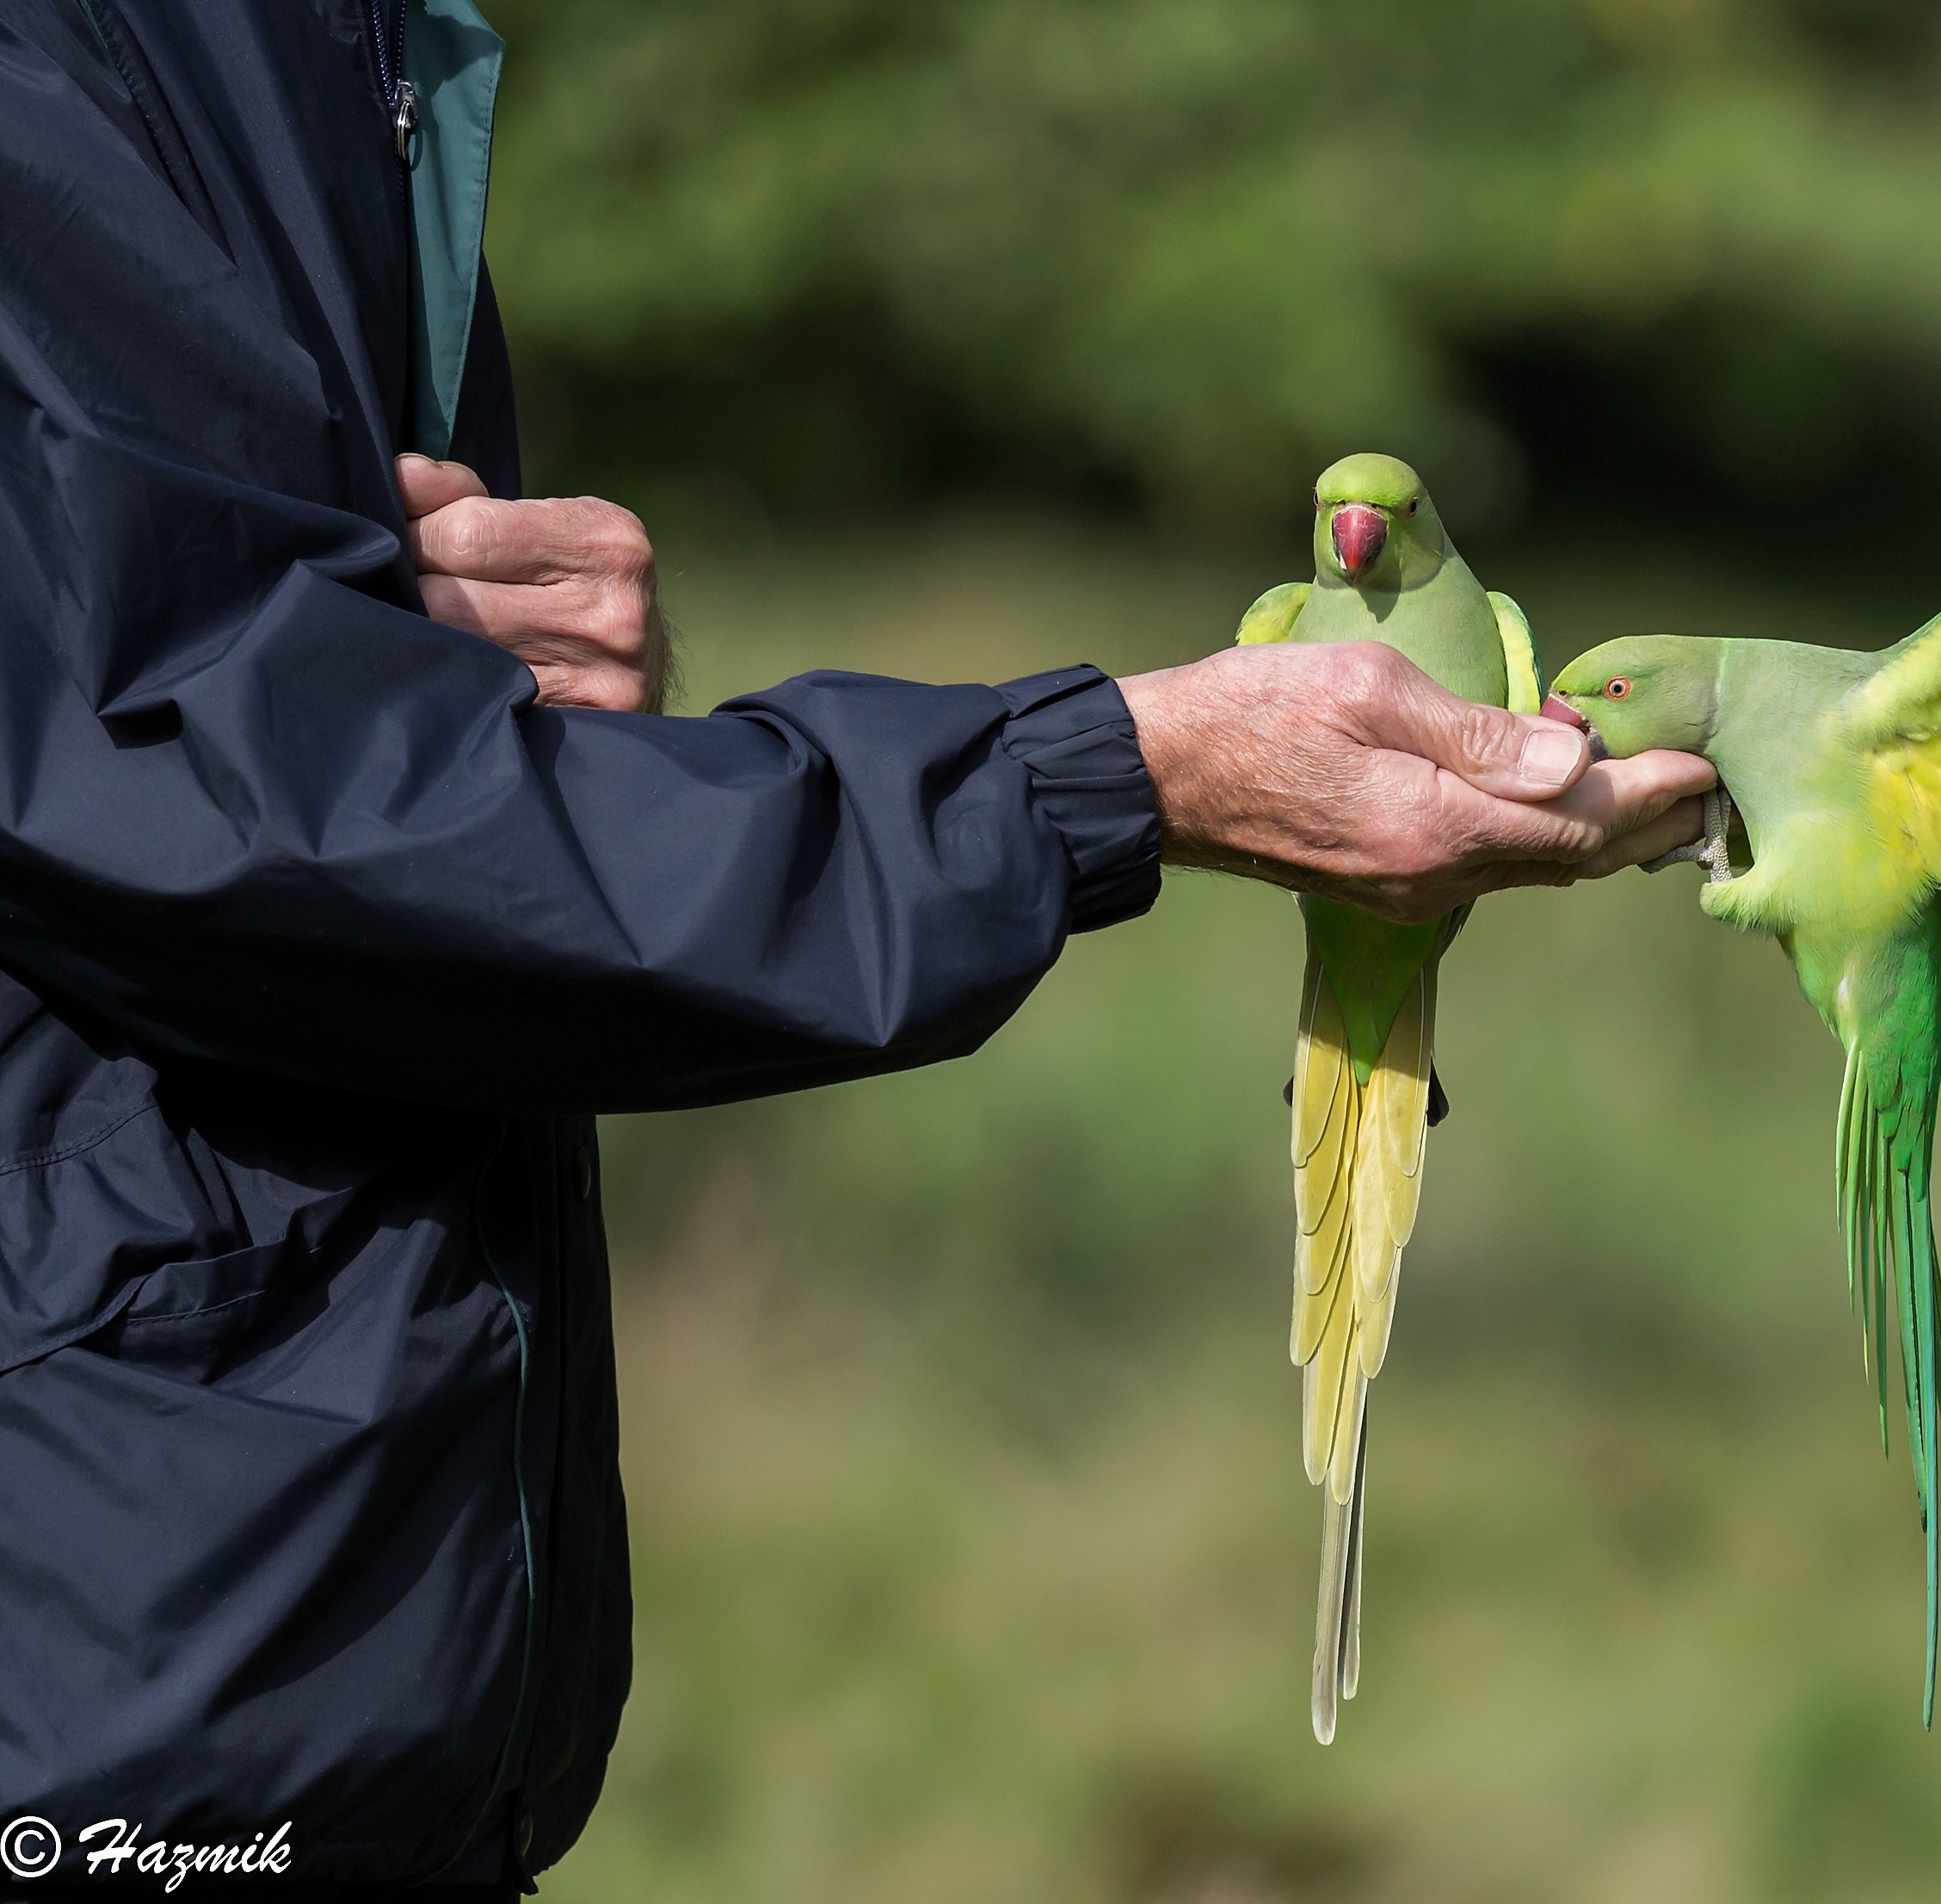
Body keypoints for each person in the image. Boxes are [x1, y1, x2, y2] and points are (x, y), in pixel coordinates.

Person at [0, 3, 1713, 1896]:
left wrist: (513, 699)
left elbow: (266, 706)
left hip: (344, 1685)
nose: (1357, 536)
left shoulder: (343, 42)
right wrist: (1114, 776)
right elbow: (215, 784)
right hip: (114, 1691)